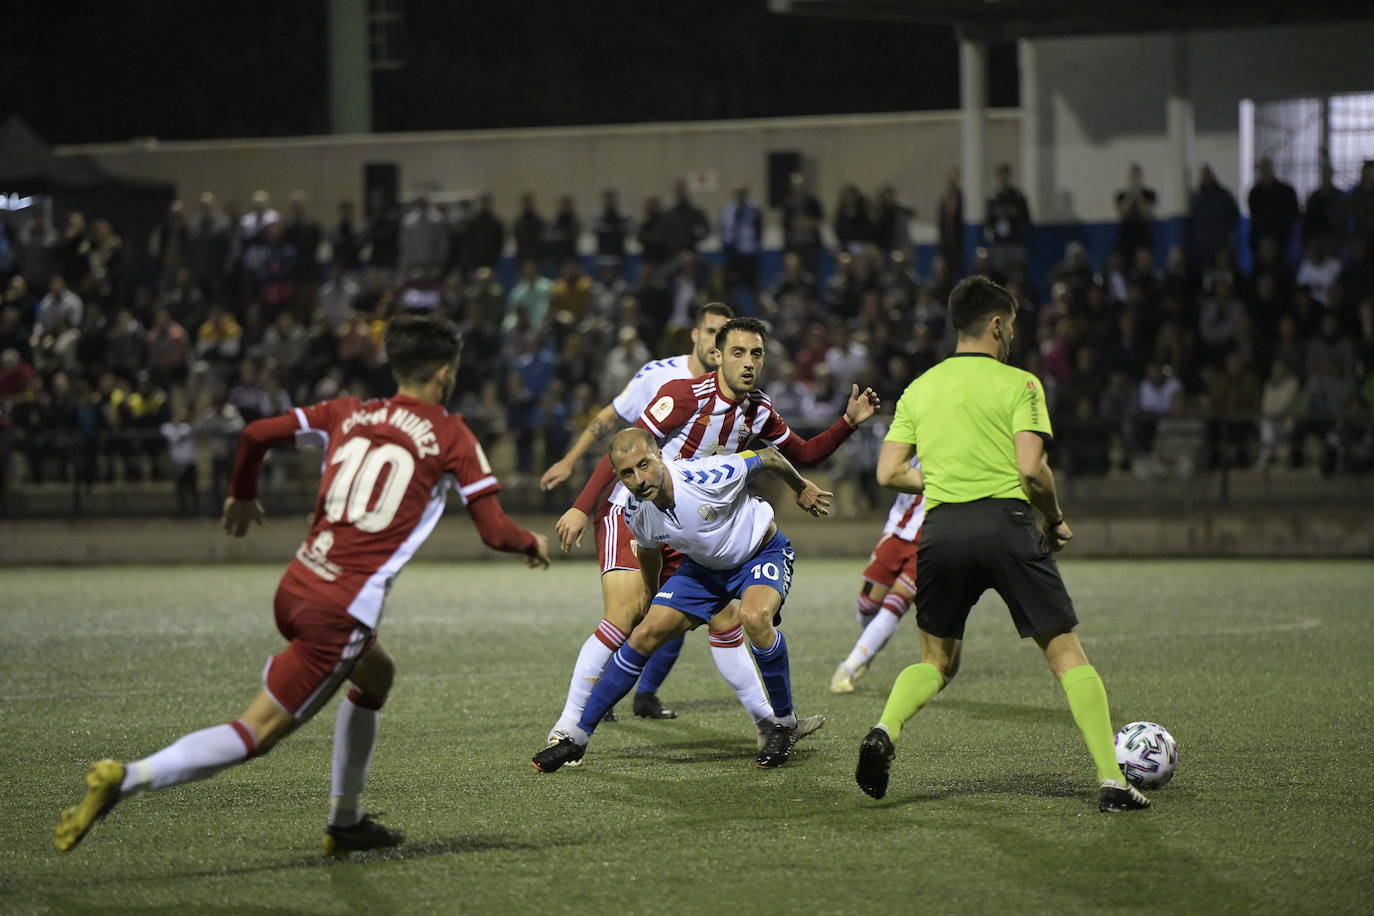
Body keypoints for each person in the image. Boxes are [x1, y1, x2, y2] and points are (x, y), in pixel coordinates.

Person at [54, 314, 552, 854]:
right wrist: (531, 542)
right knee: (256, 733)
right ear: (444, 372)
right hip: (339, 611)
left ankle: (346, 820)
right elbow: (495, 531)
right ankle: (126, 777)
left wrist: (242, 492)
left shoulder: (349, 411)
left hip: (298, 583)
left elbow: (254, 433)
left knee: (377, 674)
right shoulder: (452, 433)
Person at [854, 275, 1150, 813]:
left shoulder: (921, 388)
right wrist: (1054, 519)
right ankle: (1112, 782)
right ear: (996, 324)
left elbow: (888, 472)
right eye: (1010, 325)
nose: (1011, 335)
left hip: (941, 531)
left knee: (936, 661)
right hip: (1007, 525)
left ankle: (884, 729)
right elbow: (1032, 470)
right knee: (1065, 655)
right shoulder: (1021, 385)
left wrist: (946, 477)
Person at [547, 316, 880, 748]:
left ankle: (772, 725)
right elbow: (625, 453)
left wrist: (848, 423)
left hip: (688, 527)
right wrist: (580, 506)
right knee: (626, 618)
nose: (747, 363)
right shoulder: (683, 396)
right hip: (632, 514)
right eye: (737, 352)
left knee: (725, 623)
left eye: (755, 354)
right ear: (717, 354)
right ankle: (566, 728)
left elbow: (803, 452)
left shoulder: (757, 409)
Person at [531, 430, 832, 772]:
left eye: (644, 465)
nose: (639, 479)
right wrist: (649, 591)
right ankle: (578, 738)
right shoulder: (636, 509)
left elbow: (770, 456)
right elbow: (648, 551)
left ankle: (783, 723)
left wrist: (800, 488)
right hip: (703, 571)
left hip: (760, 552)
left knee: (754, 617)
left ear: (659, 456)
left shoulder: (708, 475)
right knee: (643, 635)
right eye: (627, 473)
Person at [537, 303, 736, 723]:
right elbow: (611, 419)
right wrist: (572, 466)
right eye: (710, 332)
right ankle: (578, 716)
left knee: (679, 606)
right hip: (630, 509)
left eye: (726, 336)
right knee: (629, 613)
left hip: (681, 515)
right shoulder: (659, 376)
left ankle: (643, 693)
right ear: (695, 336)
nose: (717, 343)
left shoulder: (732, 391)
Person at [830, 461, 924, 694]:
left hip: (930, 537)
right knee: (867, 605)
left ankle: (847, 669)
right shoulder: (913, 428)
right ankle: (868, 649)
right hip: (897, 530)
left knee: (897, 602)